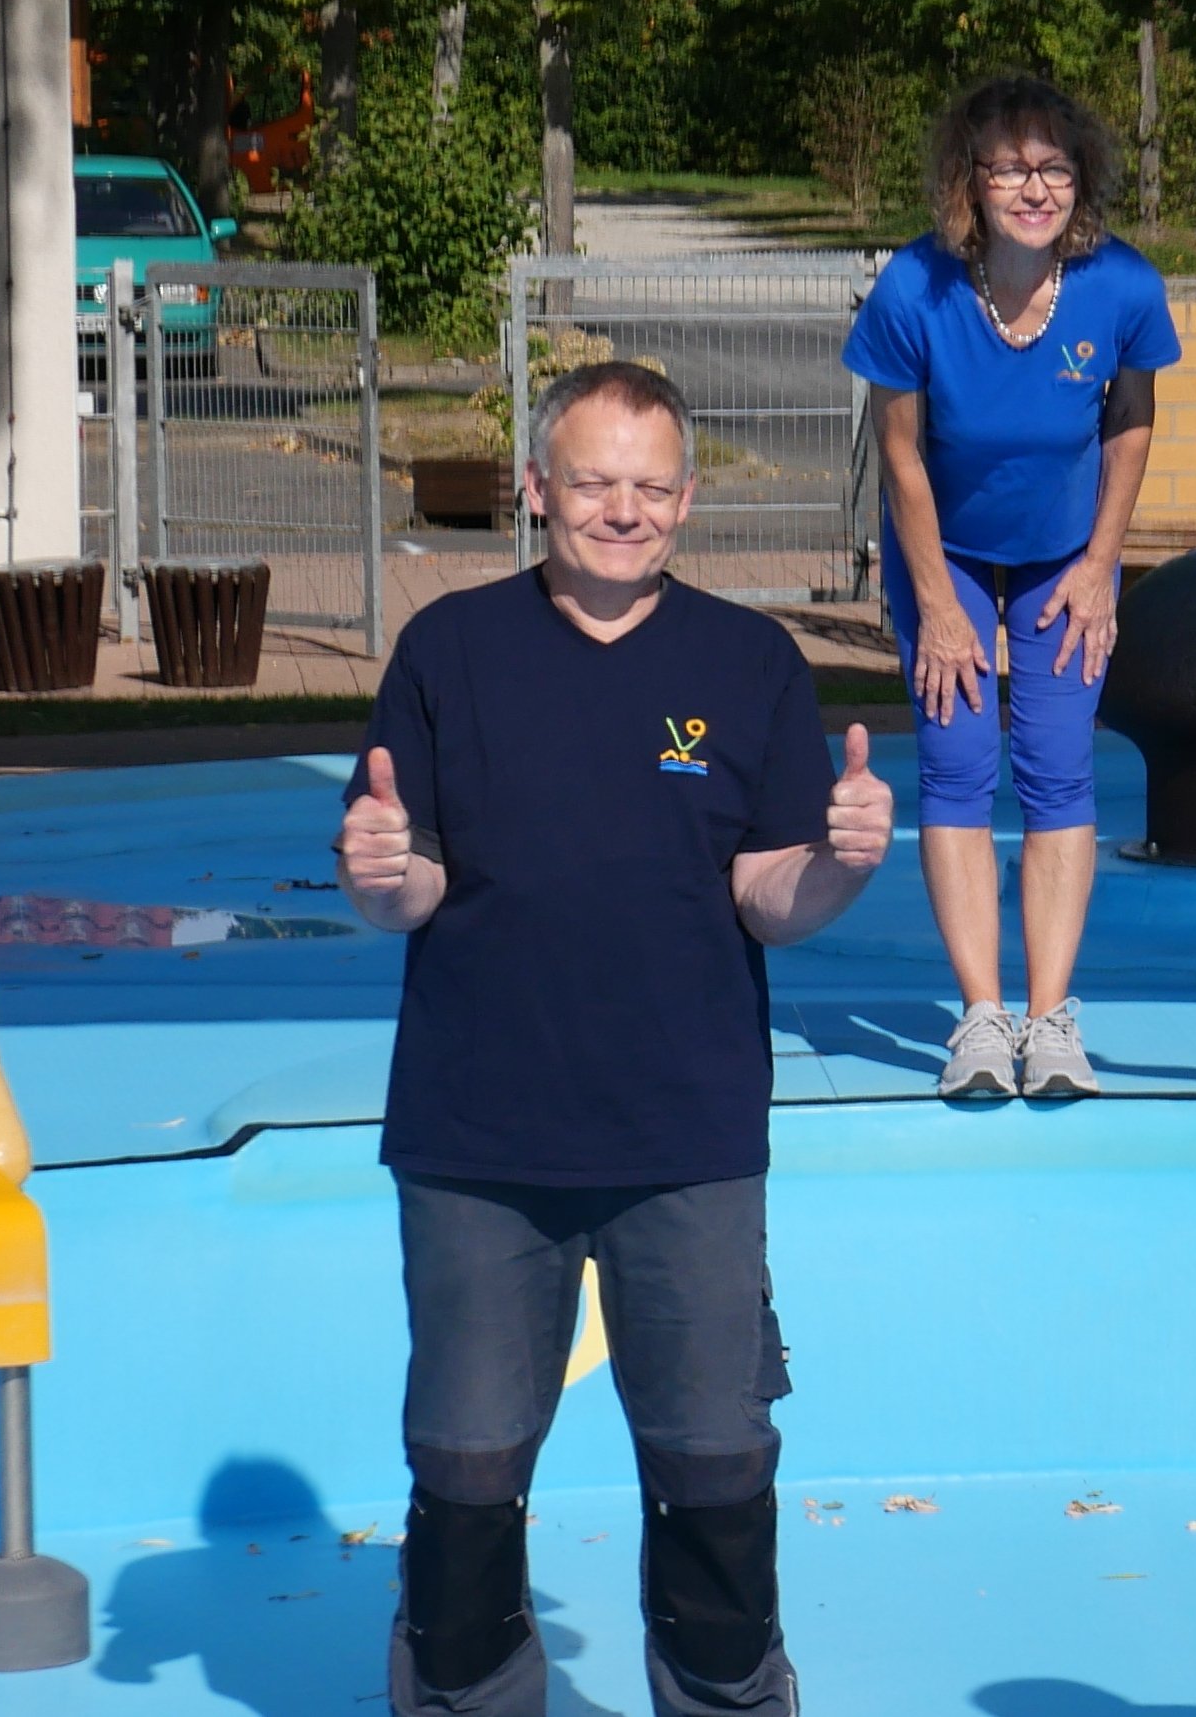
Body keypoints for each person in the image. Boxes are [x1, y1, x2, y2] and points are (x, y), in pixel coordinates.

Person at [333, 362, 896, 1717]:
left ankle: (726, 1695)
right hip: (478, 1136)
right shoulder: (450, 651)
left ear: (688, 499)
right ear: (539, 488)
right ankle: (463, 1692)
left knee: (715, 1464)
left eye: (650, 485)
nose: (623, 510)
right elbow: (412, 882)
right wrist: (377, 872)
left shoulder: (749, 664)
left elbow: (767, 895)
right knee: (466, 1466)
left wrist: (840, 865)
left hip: (685, 1136)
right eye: (593, 481)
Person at [844, 75, 1178, 1099]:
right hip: (940, 544)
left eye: (1054, 167)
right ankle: (983, 1019)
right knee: (956, 761)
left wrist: (1101, 566)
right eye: (1009, 169)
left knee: (1057, 767)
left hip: (1062, 550)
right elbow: (900, 456)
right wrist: (938, 605)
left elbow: (1130, 424)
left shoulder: (1123, 286)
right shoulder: (914, 288)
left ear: (1082, 177)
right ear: (969, 181)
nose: (1034, 189)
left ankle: (1051, 1019)